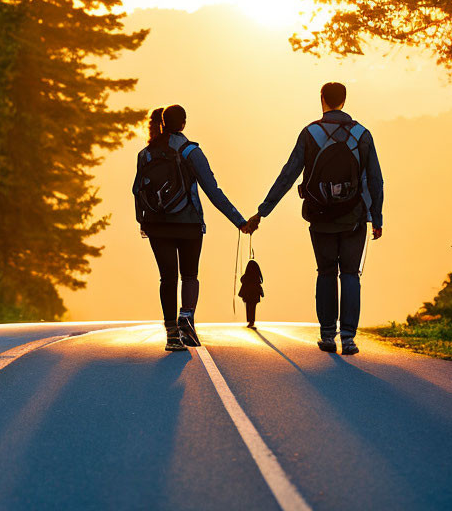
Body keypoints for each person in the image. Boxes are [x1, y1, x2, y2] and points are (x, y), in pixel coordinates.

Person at [244, 82, 383, 355]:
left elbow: (288, 175)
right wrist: (376, 216)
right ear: (344, 100)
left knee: (326, 272)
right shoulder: (362, 135)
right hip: (354, 217)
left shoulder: (310, 134)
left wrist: (263, 211)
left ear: (322, 99)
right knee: (351, 275)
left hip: (320, 217)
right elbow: (376, 180)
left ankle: (328, 335)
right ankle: (349, 337)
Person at [133, 105, 248, 351]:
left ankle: (171, 334)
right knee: (189, 275)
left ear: (163, 123)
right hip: (188, 223)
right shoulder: (191, 152)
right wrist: (239, 221)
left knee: (167, 278)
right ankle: (186, 317)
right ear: (183, 123)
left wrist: (142, 220)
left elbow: (137, 190)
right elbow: (213, 190)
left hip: (157, 225)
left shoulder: (146, 154)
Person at [238, 258, 264, 329]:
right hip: (254, 296)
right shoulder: (256, 277)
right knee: (253, 308)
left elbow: (242, 280)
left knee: (248, 307)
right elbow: (258, 285)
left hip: (248, 296)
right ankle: (251, 321)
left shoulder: (247, 276)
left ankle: (250, 321)